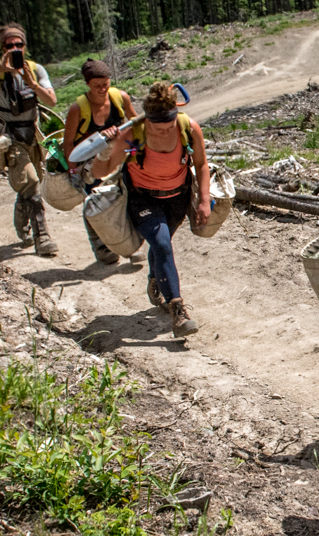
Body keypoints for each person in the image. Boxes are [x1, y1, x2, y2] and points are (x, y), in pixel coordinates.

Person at [89, 82, 212, 338]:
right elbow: (98, 174)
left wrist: (203, 199)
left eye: (170, 125)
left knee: (161, 244)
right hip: (143, 198)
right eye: (159, 127)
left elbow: (201, 164)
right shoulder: (134, 134)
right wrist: (106, 149)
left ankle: (157, 279)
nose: (166, 131)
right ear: (148, 120)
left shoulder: (188, 128)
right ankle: (178, 311)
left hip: (178, 197)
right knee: (162, 243)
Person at [0, 23, 58, 254]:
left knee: (31, 184)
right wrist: (0, 70)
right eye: (9, 45)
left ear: (25, 46)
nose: (14, 48)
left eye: (19, 44)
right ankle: (43, 237)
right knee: (30, 183)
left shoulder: (35, 69)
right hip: (8, 136)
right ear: (2, 48)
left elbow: (51, 101)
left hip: (33, 134)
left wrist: (32, 83)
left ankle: (22, 225)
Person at [60, 59, 138, 267]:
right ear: (87, 85)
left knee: (124, 198)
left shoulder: (120, 98)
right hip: (90, 163)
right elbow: (69, 143)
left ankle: (128, 244)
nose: (102, 89)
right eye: (97, 86)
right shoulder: (78, 108)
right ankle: (101, 246)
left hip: (118, 157)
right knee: (95, 202)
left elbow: (136, 122)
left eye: (106, 84)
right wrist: (72, 170)